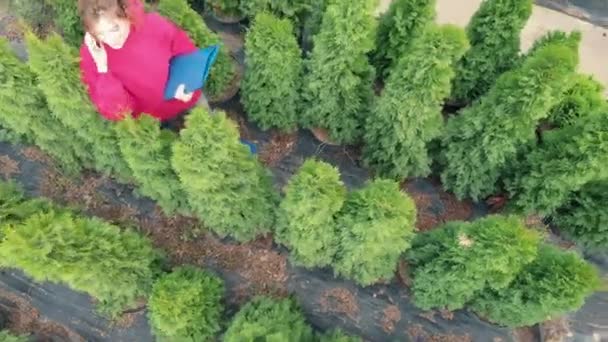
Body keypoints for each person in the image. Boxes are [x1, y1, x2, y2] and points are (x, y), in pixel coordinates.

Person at [78, 0, 207, 123]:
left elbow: (183, 49)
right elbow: (119, 112)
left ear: (126, 12)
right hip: (153, 117)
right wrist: (103, 69)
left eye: (114, 28)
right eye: (101, 34)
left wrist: (188, 84)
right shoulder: (93, 58)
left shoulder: (152, 24)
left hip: (186, 93)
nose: (111, 39)